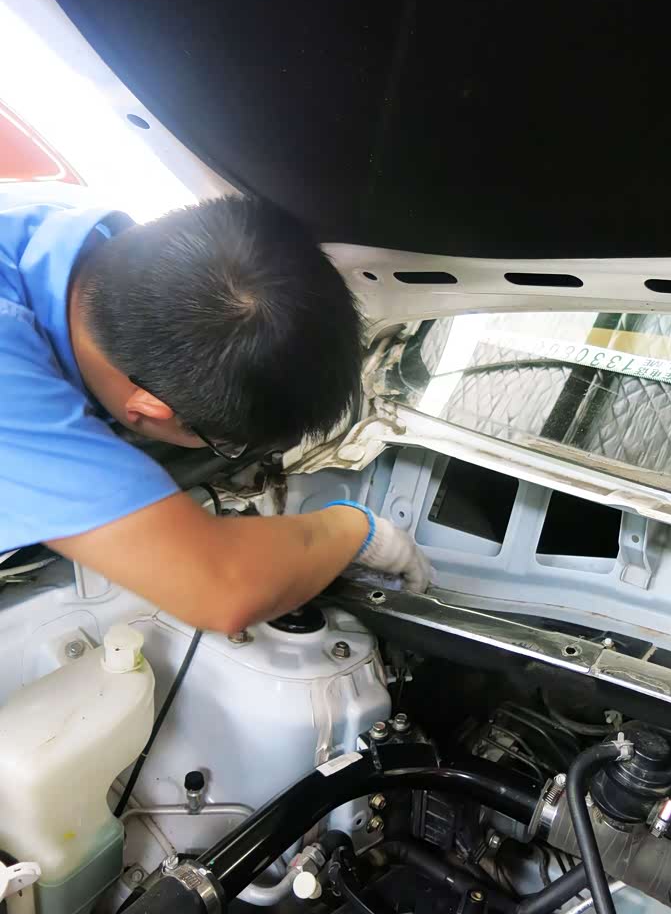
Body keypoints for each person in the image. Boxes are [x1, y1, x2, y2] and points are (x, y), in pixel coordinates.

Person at [0, 183, 429, 632]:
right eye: (225, 443)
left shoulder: (75, 236)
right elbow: (221, 589)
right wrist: (357, 531)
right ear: (147, 408)